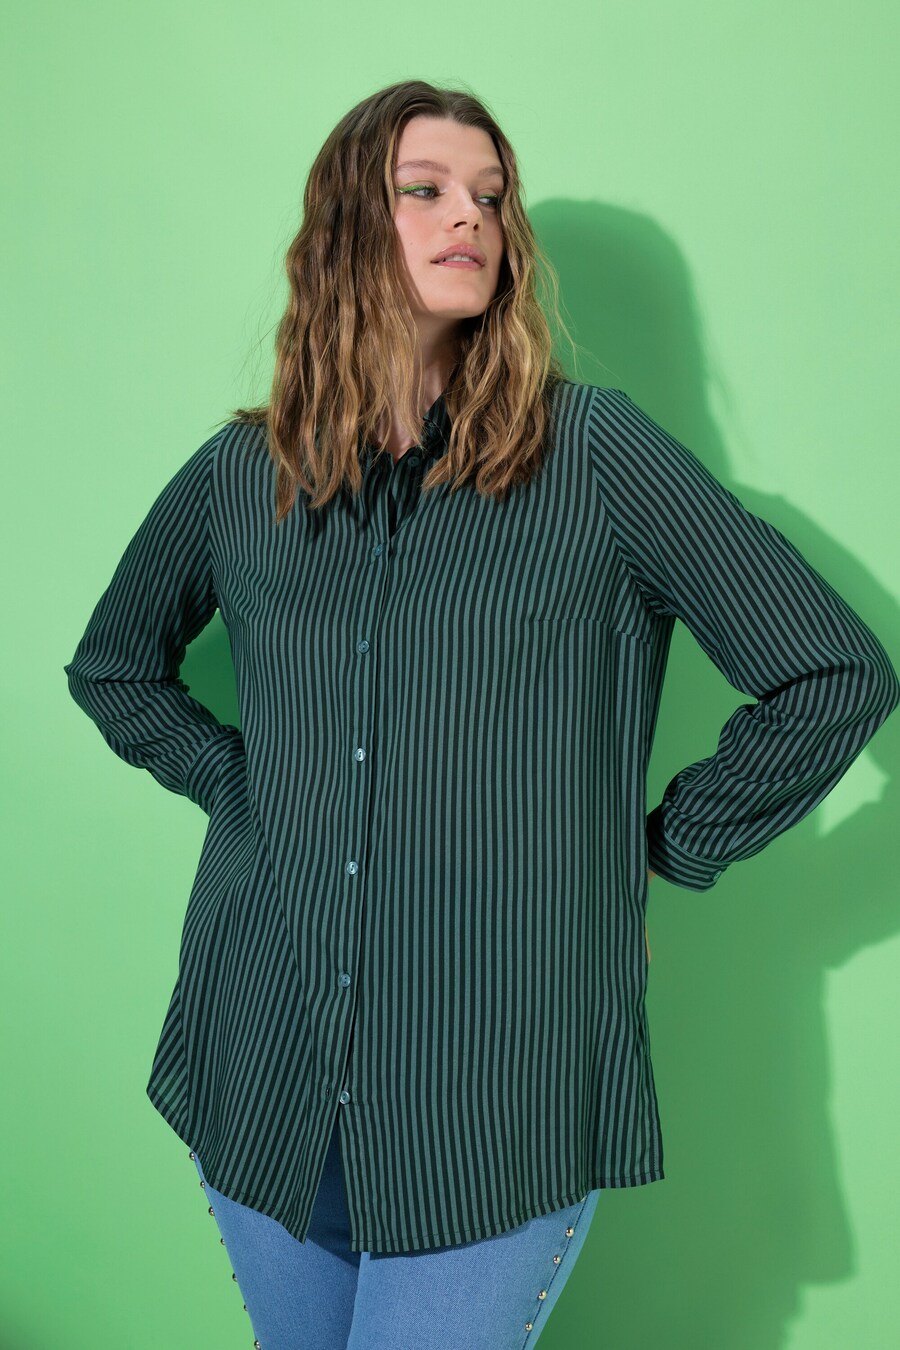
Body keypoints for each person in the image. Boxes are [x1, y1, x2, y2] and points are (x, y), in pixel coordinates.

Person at [63, 79, 900, 1350]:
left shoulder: (596, 455)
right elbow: (113, 667)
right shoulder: (245, 473)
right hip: (263, 1058)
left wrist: (656, 853)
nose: (472, 218)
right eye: (427, 190)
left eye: (492, 198)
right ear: (346, 228)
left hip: (497, 1086)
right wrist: (241, 786)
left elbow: (832, 672)